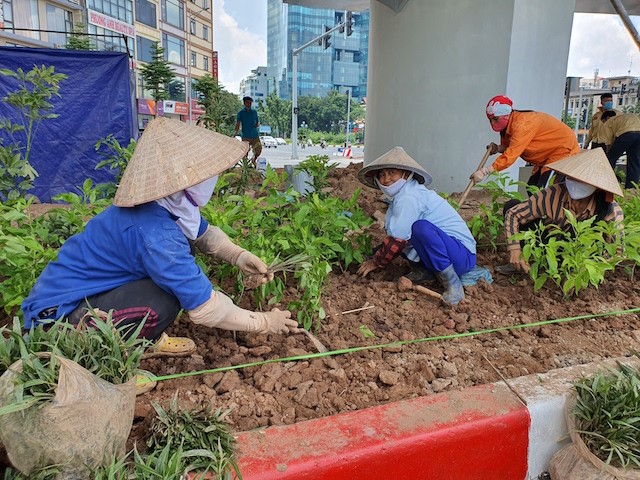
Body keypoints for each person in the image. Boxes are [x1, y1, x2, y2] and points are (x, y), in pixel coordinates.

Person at [21, 118, 297, 354]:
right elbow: (206, 309)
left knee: (168, 284)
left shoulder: (167, 203)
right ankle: (108, 358)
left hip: (78, 297)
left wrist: (239, 256)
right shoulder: (156, 234)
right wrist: (264, 322)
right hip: (56, 321)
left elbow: (203, 234)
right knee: (164, 299)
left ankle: (133, 335)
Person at [356, 147, 477, 305]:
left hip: (462, 256)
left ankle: (453, 285)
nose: (386, 179)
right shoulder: (401, 196)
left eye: (392, 172)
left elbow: (398, 240)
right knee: (408, 233)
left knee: (420, 229)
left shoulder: (409, 197)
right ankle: (425, 272)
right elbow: (398, 235)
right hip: (450, 252)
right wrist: (375, 253)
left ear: (406, 174)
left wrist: (376, 262)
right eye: (382, 175)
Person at [503, 148, 624, 274]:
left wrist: (590, 271)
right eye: (571, 177)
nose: (574, 183)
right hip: (550, 245)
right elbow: (513, 214)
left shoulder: (610, 210)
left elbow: (616, 251)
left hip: (581, 255)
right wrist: (515, 249)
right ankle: (523, 265)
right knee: (512, 205)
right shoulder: (552, 194)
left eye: (581, 180)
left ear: (597, 186)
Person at [472, 95, 580, 191]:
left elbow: (511, 155)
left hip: (562, 150)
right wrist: (499, 148)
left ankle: (548, 213)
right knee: (531, 188)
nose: (493, 123)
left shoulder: (522, 125)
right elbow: (510, 147)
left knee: (544, 190)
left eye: (495, 119)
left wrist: (485, 171)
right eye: (490, 120)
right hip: (546, 154)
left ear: (506, 114)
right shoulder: (508, 126)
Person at [600, 110, 640, 188]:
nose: (603, 124)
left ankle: (606, 183)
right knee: (634, 162)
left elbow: (608, 143)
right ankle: (631, 189)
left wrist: (608, 154)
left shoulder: (609, 121)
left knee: (610, 159)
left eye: (603, 122)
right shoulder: (626, 116)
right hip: (639, 133)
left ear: (607, 118)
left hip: (626, 133)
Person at [234, 96, 262, 167]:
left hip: (255, 135)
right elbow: (238, 124)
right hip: (246, 135)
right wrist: (235, 133)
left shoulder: (254, 112)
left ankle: (254, 159)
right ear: (244, 103)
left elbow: (257, 122)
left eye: (250, 103)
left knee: (258, 149)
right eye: (247, 103)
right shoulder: (241, 113)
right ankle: (245, 166)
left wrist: (257, 124)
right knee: (245, 151)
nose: (249, 104)